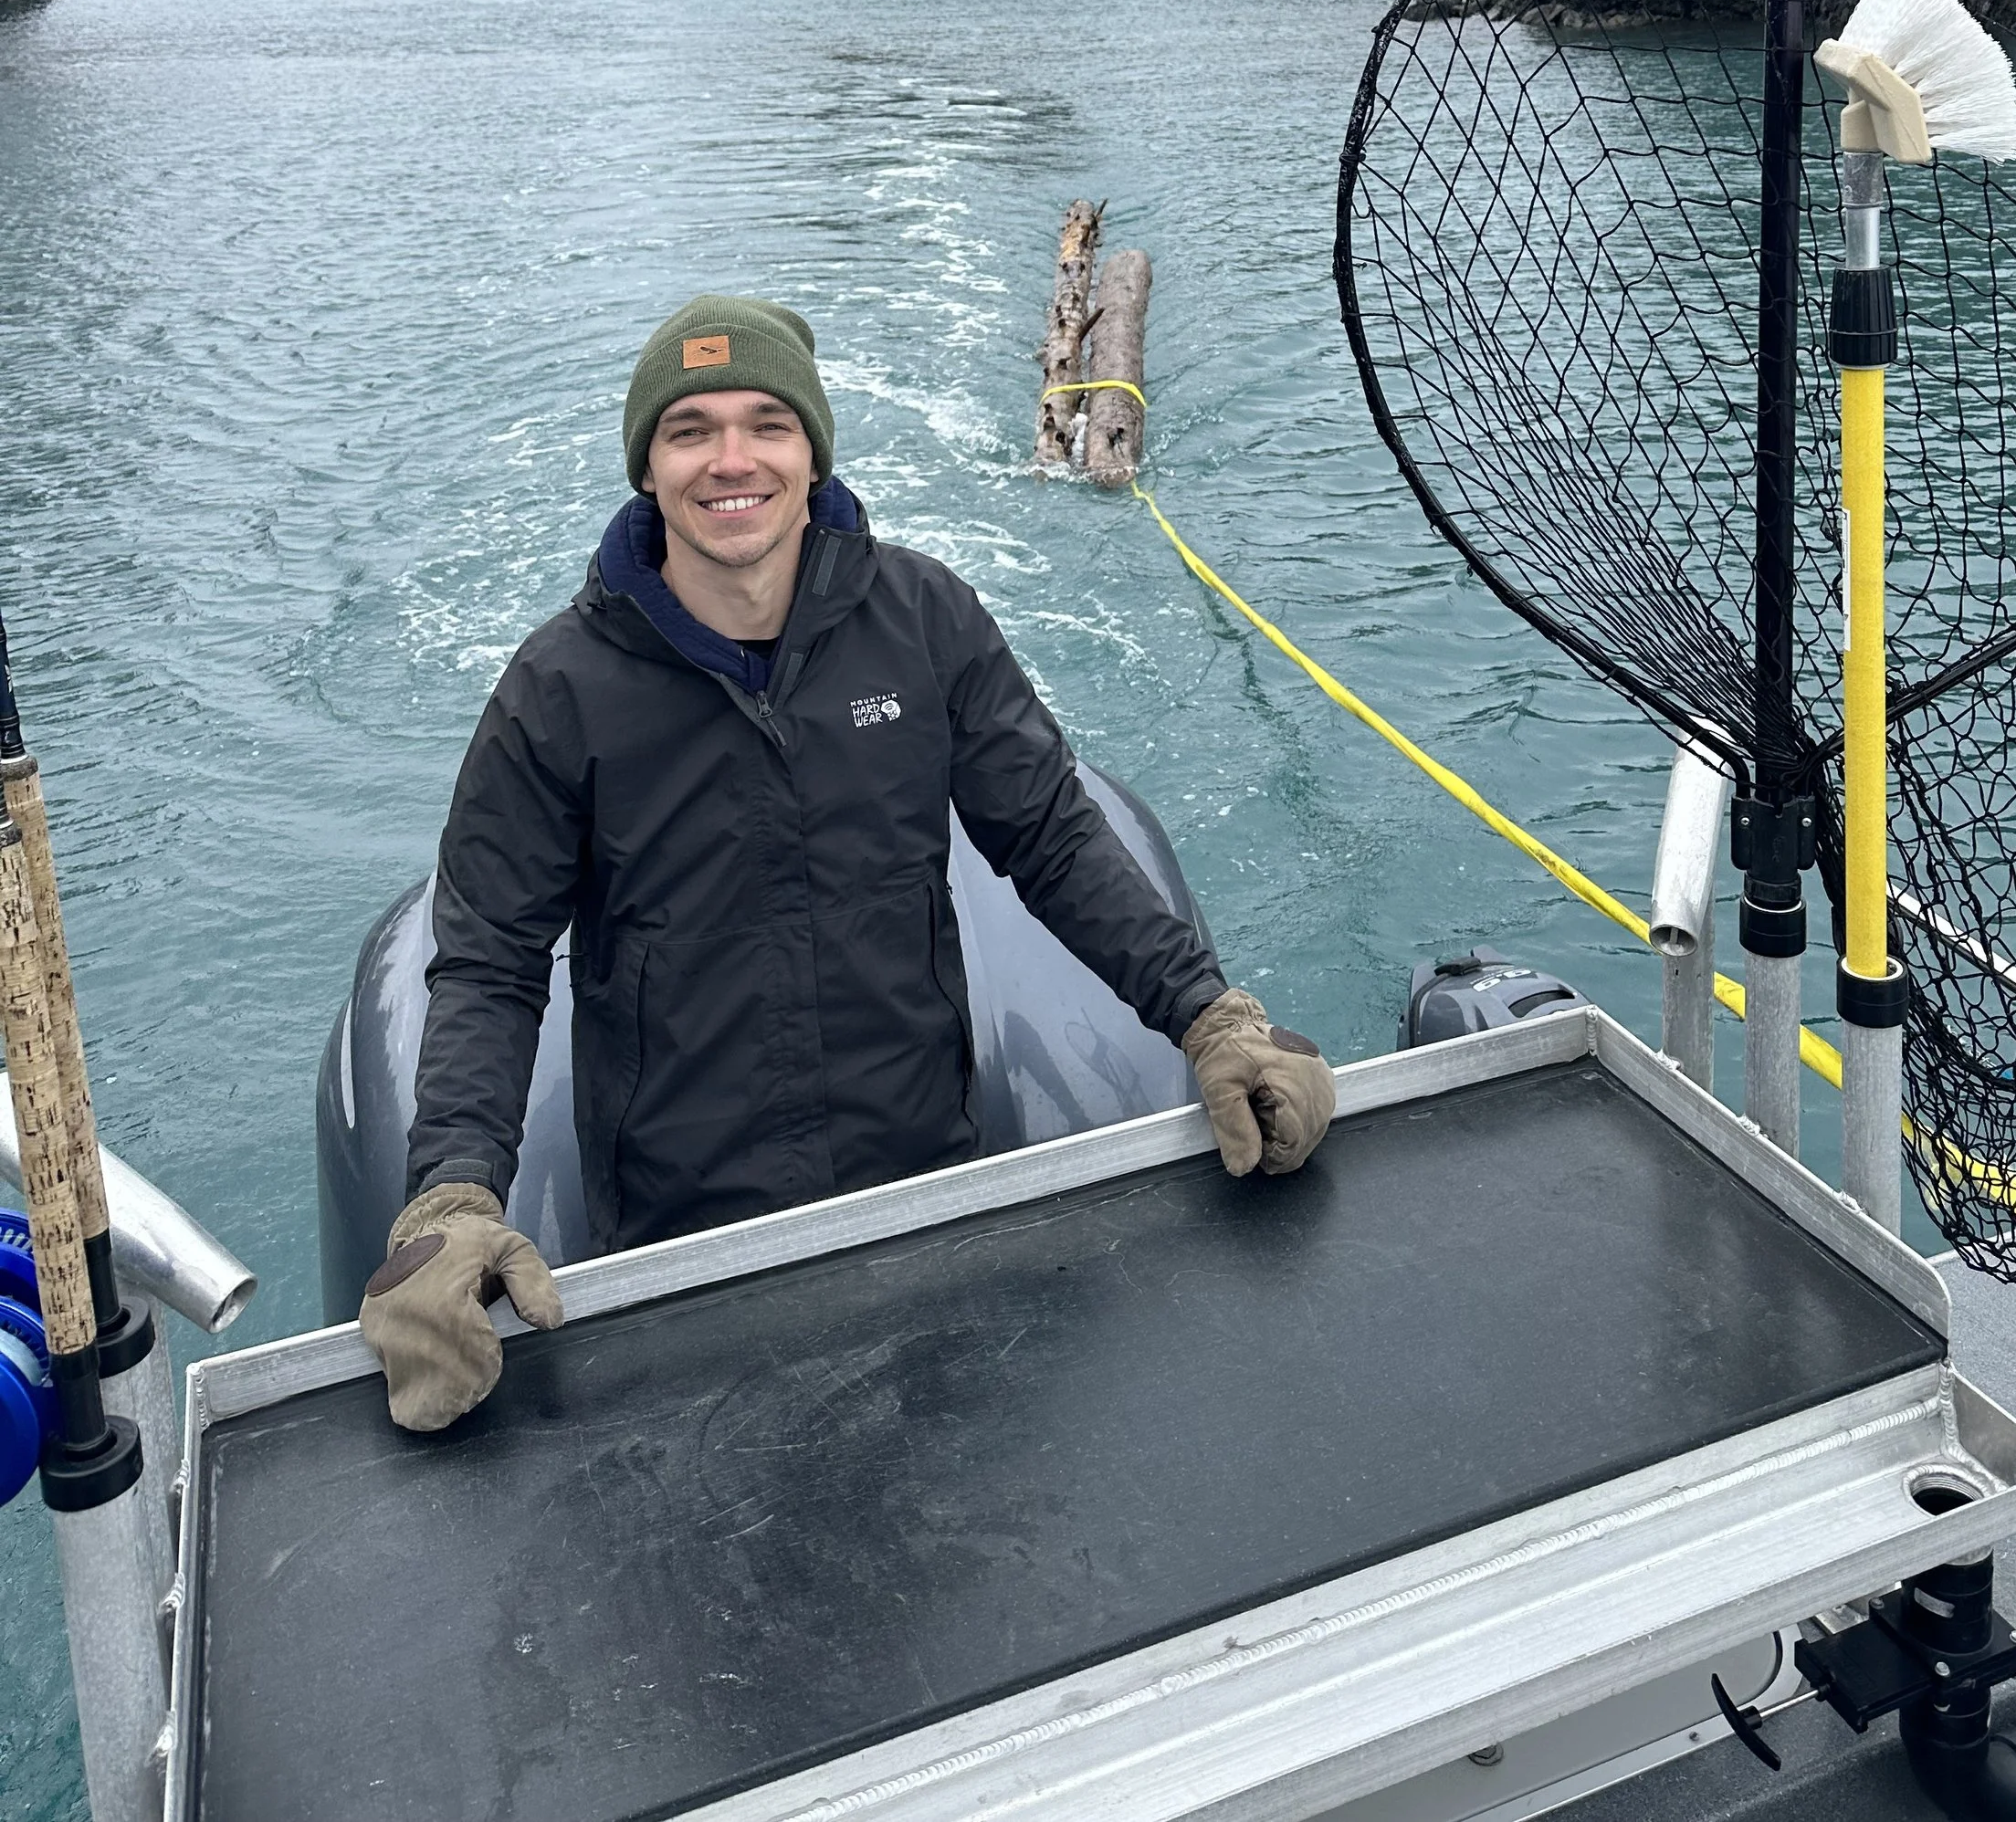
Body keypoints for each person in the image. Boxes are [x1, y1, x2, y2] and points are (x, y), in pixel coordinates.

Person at [360, 293, 1338, 1431]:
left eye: (768, 424)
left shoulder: (924, 620)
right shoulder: (558, 691)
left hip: (923, 1183)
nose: (733, 460)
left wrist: (1210, 1017)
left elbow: (1053, 836)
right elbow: (488, 960)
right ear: (648, 469)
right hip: (684, 1240)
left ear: (812, 452)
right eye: (691, 431)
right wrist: (451, 1196)